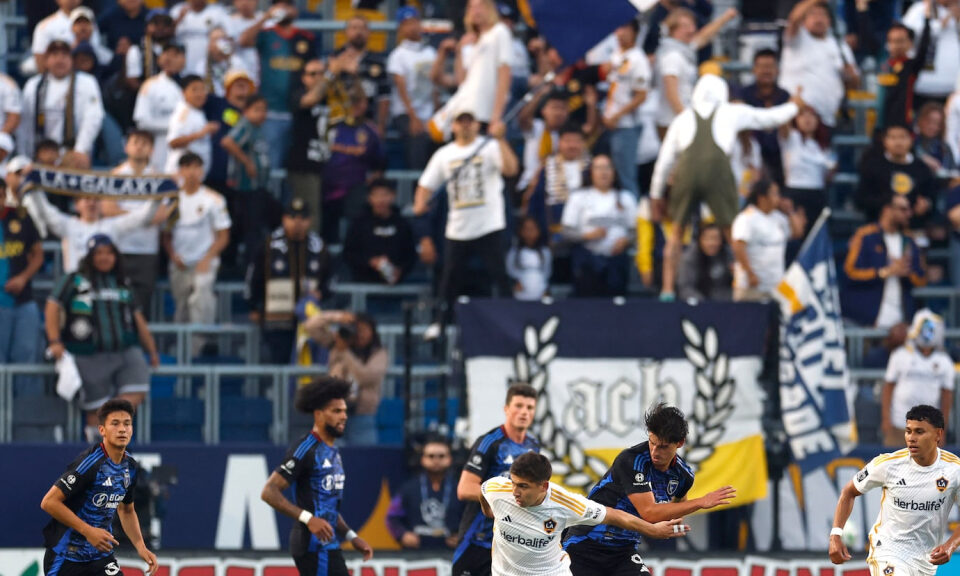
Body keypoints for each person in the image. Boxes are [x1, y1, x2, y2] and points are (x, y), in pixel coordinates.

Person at [651, 74, 801, 301]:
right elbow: (769, 118)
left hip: (686, 172)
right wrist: (793, 106)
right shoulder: (731, 112)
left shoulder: (682, 118)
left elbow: (664, 161)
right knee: (732, 232)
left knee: (676, 234)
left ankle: (668, 289)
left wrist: (655, 194)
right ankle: (741, 281)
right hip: (718, 173)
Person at [564, 403, 737, 576]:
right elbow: (649, 513)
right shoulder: (631, 460)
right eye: (652, 443)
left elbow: (677, 507)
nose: (655, 451)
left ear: (680, 443)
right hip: (584, 545)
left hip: (623, 551)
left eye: (662, 446)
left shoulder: (683, 475)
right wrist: (700, 502)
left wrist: (672, 522)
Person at [482, 453, 690, 576]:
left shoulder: (565, 503)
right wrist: (488, 511)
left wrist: (652, 529)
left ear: (543, 486)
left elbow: (615, 515)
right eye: (513, 483)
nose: (515, 491)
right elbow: (484, 490)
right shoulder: (498, 490)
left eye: (523, 486)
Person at [414, 108, 518, 335]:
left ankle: (513, 319)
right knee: (448, 279)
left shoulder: (489, 147)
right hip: (459, 226)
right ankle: (440, 322)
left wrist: (501, 140)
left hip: (489, 223)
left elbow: (511, 169)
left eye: (469, 121)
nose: (465, 126)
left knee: (499, 275)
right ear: (453, 126)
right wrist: (419, 203)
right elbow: (425, 184)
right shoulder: (444, 154)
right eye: (460, 122)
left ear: (477, 125)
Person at [46, 235, 159, 441]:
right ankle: (98, 454)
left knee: (137, 389)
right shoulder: (74, 279)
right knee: (94, 410)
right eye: (99, 253)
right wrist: (54, 340)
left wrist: (151, 349)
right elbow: (53, 305)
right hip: (88, 352)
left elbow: (138, 317)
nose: (104, 258)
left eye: (109, 253)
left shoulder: (122, 282)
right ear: (90, 256)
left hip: (125, 349)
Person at [260, 377, 374, 576]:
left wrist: (351, 535)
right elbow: (269, 492)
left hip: (328, 543)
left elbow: (326, 505)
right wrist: (308, 519)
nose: (344, 416)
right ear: (319, 414)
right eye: (336, 411)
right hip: (312, 544)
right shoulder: (306, 448)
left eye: (345, 410)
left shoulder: (333, 451)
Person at [828, 405, 960, 574]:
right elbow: (849, 492)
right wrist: (835, 534)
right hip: (888, 551)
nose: (911, 438)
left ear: (938, 434)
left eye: (919, 432)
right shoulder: (888, 464)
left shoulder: (954, 470)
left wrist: (950, 545)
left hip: (925, 561)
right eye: (908, 431)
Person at [39, 399, 159, 576]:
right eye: (115, 424)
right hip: (65, 556)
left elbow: (126, 510)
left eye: (127, 424)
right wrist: (88, 531)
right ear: (102, 430)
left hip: (100, 557)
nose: (122, 429)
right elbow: (49, 502)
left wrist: (141, 547)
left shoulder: (130, 467)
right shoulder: (90, 463)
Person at [454, 383, 539, 576]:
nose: (524, 412)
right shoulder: (490, 442)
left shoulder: (534, 446)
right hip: (478, 541)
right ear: (506, 409)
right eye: (518, 406)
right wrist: (507, 496)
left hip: (512, 545)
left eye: (530, 407)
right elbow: (465, 489)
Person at [246, 198, 330, 364]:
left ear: (310, 220)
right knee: (280, 364)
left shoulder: (319, 247)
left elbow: (331, 278)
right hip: (277, 319)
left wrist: (323, 293)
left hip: (309, 320)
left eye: (303, 218)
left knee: (308, 365)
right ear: (284, 219)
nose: (297, 223)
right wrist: (253, 306)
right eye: (292, 217)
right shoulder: (269, 245)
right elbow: (253, 276)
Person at [238, 0, 317, 170]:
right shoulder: (266, 34)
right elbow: (243, 40)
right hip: (270, 113)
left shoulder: (306, 37)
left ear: (295, 10)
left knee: (295, 165)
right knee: (270, 165)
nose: (284, 10)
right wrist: (266, 16)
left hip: (298, 113)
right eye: (280, 6)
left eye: (288, 5)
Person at [22, 181, 160, 275]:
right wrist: (35, 190)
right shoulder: (69, 225)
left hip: (104, 284)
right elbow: (45, 212)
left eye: (96, 199)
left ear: (101, 204)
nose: (91, 203)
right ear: (77, 205)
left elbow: (142, 218)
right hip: (76, 285)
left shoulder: (112, 226)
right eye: (86, 199)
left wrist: (157, 198)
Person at [428, 0, 513, 141]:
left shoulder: (500, 32)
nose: (476, 11)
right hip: (463, 109)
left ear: (489, 9)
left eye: (480, 6)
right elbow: (462, 81)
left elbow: (504, 76)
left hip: (484, 111)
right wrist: (460, 49)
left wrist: (496, 116)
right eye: (472, 7)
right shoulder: (471, 40)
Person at [162, 152, 231, 326]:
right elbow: (166, 235)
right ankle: (181, 349)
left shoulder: (214, 199)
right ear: (180, 171)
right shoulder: (171, 200)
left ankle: (200, 346)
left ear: (202, 171)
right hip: (179, 262)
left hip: (204, 261)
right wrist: (172, 255)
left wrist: (207, 258)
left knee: (201, 298)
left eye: (196, 167)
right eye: (187, 167)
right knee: (182, 307)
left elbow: (223, 236)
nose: (192, 172)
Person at [302, 311, 387, 446]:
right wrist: (338, 317)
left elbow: (366, 377)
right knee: (332, 460)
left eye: (364, 330)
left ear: (373, 332)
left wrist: (345, 353)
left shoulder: (378, 353)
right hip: (333, 414)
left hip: (361, 416)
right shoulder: (337, 343)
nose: (360, 334)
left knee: (365, 459)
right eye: (357, 330)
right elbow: (311, 326)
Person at [99, 130, 163, 312]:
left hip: (147, 249)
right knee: (117, 300)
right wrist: (143, 215)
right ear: (127, 147)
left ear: (152, 149)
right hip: (119, 247)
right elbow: (107, 209)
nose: (140, 146)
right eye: (136, 142)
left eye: (145, 143)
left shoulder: (159, 179)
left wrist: (125, 214)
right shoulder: (115, 176)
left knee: (142, 303)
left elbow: (161, 214)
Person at [843, 194, 927, 328]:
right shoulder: (866, 236)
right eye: (903, 209)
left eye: (909, 210)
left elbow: (922, 279)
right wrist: (884, 272)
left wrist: (905, 271)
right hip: (866, 319)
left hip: (902, 322)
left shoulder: (909, 240)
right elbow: (849, 272)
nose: (909, 214)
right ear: (887, 210)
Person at [19, 40, 105, 170]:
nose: (60, 60)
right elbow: (25, 124)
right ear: (46, 61)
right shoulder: (33, 85)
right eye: (54, 55)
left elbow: (93, 118)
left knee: (80, 161)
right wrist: (25, 155)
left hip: (72, 150)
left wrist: (81, 149)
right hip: (42, 151)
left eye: (64, 55)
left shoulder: (87, 82)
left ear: (71, 60)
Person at [562, 155, 638, 297]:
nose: (603, 172)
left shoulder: (626, 198)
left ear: (614, 172)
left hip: (616, 261)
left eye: (607, 168)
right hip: (587, 259)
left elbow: (635, 231)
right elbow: (566, 231)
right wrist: (587, 236)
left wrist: (626, 241)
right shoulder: (578, 197)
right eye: (598, 168)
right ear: (591, 172)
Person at [655, 7, 739, 132]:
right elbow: (671, 94)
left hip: (680, 118)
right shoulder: (672, 56)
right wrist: (686, 120)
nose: (692, 30)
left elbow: (704, 36)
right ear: (672, 29)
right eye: (685, 26)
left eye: (692, 25)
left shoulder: (683, 49)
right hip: (673, 122)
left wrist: (725, 17)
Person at [779, 0, 859, 131]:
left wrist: (851, 76)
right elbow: (794, 18)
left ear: (829, 20)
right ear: (804, 19)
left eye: (823, 15)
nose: (818, 19)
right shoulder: (797, 38)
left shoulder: (840, 46)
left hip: (826, 119)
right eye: (813, 14)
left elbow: (855, 84)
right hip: (796, 115)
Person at [321, 87, 385, 244]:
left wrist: (373, 180)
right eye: (351, 102)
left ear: (365, 104)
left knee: (357, 224)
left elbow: (381, 162)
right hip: (327, 187)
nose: (355, 106)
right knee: (326, 229)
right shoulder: (331, 126)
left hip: (356, 188)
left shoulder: (370, 130)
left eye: (358, 102)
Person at [882, 310, 954, 446]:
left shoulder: (944, 361)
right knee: (893, 465)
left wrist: (942, 428)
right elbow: (888, 388)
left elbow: (947, 397)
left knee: (928, 466)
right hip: (899, 425)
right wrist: (886, 419)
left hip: (929, 427)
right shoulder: (900, 355)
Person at [220, 92, 274, 259]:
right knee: (252, 227)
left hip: (257, 186)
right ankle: (251, 262)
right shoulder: (245, 125)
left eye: (264, 110)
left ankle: (235, 259)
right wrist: (247, 162)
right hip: (246, 187)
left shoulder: (258, 129)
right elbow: (227, 141)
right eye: (256, 109)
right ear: (246, 111)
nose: (261, 114)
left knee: (246, 224)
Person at [731, 178, 804, 301]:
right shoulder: (747, 218)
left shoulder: (779, 218)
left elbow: (797, 233)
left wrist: (790, 211)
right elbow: (738, 246)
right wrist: (750, 274)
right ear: (762, 197)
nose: (778, 198)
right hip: (752, 287)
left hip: (775, 286)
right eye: (774, 193)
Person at [386, 437, 464, 550]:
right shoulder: (408, 488)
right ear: (422, 459)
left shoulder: (460, 489)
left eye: (441, 456)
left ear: (450, 459)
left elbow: (472, 520)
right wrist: (402, 535)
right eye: (431, 456)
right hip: (415, 552)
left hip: (451, 552)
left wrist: (463, 538)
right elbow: (391, 517)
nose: (436, 460)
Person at [855, 124, 938, 225]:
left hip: (914, 228)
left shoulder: (922, 168)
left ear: (911, 140)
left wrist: (926, 204)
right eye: (893, 137)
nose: (898, 142)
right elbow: (860, 200)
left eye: (903, 137)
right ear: (884, 141)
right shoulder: (873, 166)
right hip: (878, 227)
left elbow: (932, 199)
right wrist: (890, 202)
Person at [602, 20, 649, 197]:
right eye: (618, 28)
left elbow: (641, 96)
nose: (620, 33)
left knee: (626, 177)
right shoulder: (617, 54)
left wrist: (617, 115)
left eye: (625, 29)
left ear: (635, 32)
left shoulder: (638, 59)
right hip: (609, 121)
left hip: (626, 125)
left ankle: (632, 222)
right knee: (609, 175)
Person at [0, 176, 43, 367]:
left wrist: (23, 278)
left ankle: (26, 399)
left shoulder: (21, 217)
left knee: (27, 358)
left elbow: (38, 255)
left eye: (1, 196)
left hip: (23, 301)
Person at [387, 6, 437, 169]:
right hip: (405, 112)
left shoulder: (430, 52)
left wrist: (437, 112)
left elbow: (435, 84)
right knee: (418, 138)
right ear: (400, 28)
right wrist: (414, 117)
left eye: (415, 22)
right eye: (407, 23)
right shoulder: (398, 55)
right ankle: (417, 187)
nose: (412, 27)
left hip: (428, 110)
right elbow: (401, 88)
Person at [525, 124, 591, 245]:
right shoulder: (547, 168)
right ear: (559, 143)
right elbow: (536, 198)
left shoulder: (591, 169)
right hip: (553, 230)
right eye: (567, 141)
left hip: (585, 231)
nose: (572, 145)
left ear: (583, 143)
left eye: (577, 141)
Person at [342, 180, 416, 284]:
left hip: (396, 286)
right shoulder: (359, 223)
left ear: (393, 196)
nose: (381, 200)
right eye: (376, 195)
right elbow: (349, 253)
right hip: (364, 284)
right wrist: (370, 262)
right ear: (369, 198)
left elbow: (410, 255)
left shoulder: (402, 224)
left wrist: (400, 270)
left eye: (385, 195)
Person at [288, 59, 332, 234]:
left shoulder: (334, 96)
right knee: (310, 214)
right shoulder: (297, 94)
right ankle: (309, 255)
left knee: (329, 214)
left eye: (321, 73)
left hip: (330, 164)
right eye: (313, 74)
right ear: (304, 78)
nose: (318, 78)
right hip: (305, 165)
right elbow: (309, 100)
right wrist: (330, 75)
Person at [327, 16, 390, 135]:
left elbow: (384, 96)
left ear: (369, 33)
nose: (358, 32)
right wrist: (336, 68)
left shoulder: (377, 61)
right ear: (346, 32)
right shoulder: (335, 57)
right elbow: (325, 89)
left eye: (363, 28)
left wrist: (381, 125)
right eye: (354, 28)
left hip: (369, 121)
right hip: (339, 121)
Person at [736, 49, 791, 183]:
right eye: (762, 67)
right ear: (754, 69)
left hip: (779, 157)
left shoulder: (784, 96)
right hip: (750, 155)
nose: (766, 71)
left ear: (777, 70)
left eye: (770, 67)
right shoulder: (744, 95)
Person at [877, 6, 932, 131]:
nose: (897, 45)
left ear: (910, 43)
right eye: (893, 41)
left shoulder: (911, 65)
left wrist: (927, 20)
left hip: (903, 124)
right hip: (880, 124)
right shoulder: (881, 63)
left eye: (901, 41)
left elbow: (924, 47)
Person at [132, 42, 185, 172]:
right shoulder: (151, 85)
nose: (170, 58)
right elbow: (142, 121)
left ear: (184, 59)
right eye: (166, 54)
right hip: (160, 146)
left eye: (175, 55)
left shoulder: (192, 85)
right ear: (159, 59)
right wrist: (176, 127)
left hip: (189, 148)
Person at [780, 105, 834, 227]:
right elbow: (783, 123)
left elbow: (828, 175)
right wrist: (794, 103)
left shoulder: (823, 146)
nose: (807, 119)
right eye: (802, 115)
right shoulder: (791, 138)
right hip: (794, 192)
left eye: (811, 115)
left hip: (817, 194)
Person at [903, 0, 960, 107]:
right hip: (922, 85)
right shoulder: (919, 10)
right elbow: (906, 40)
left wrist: (958, 21)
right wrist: (934, 23)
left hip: (954, 88)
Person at [517, 91, 571, 196]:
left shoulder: (568, 135)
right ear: (543, 111)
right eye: (554, 108)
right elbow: (523, 118)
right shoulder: (536, 126)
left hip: (557, 186)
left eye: (563, 108)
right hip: (530, 183)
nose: (558, 112)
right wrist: (539, 95)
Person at [165, 74, 218, 178]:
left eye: (202, 89)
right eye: (194, 90)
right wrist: (201, 133)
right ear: (183, 93)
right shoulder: (183, 113)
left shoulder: (196, 111)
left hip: (195, 176)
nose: (200, 94)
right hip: (181, 176)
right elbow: (173, 142)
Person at [677, 223, 733, 301]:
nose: (712, 243)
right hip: (699, 304)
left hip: (724, 303)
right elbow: (685, 287)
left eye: (716, 238)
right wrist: (702, 303)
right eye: (708, 239)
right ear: (700, 240)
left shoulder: (728, 255)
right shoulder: (690, 257)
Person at [125, 8, 176, 92]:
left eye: (165, 24)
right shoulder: (136, 50)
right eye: (155, 23)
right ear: (146, 27)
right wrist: (154, 93)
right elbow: (132, 82)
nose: (160, 28)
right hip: (144, 96)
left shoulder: (177, 50)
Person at [170, 0, 228, 69]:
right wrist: (179, 19)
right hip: (182, 63)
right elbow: (166, 36)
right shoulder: (177, 10)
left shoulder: (218, 11)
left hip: (209, 62)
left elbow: (229, 39)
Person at [507, 216, 551, 301]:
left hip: (540, 290)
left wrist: (544, 289)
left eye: (532, 229)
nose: (529, 233)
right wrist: (516, 282)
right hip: (520, 291)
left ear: (539, 231)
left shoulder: (545, 252)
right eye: (526, 229)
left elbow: (547, 272)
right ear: (520, 231)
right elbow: (510, 270)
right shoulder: (514, 252)